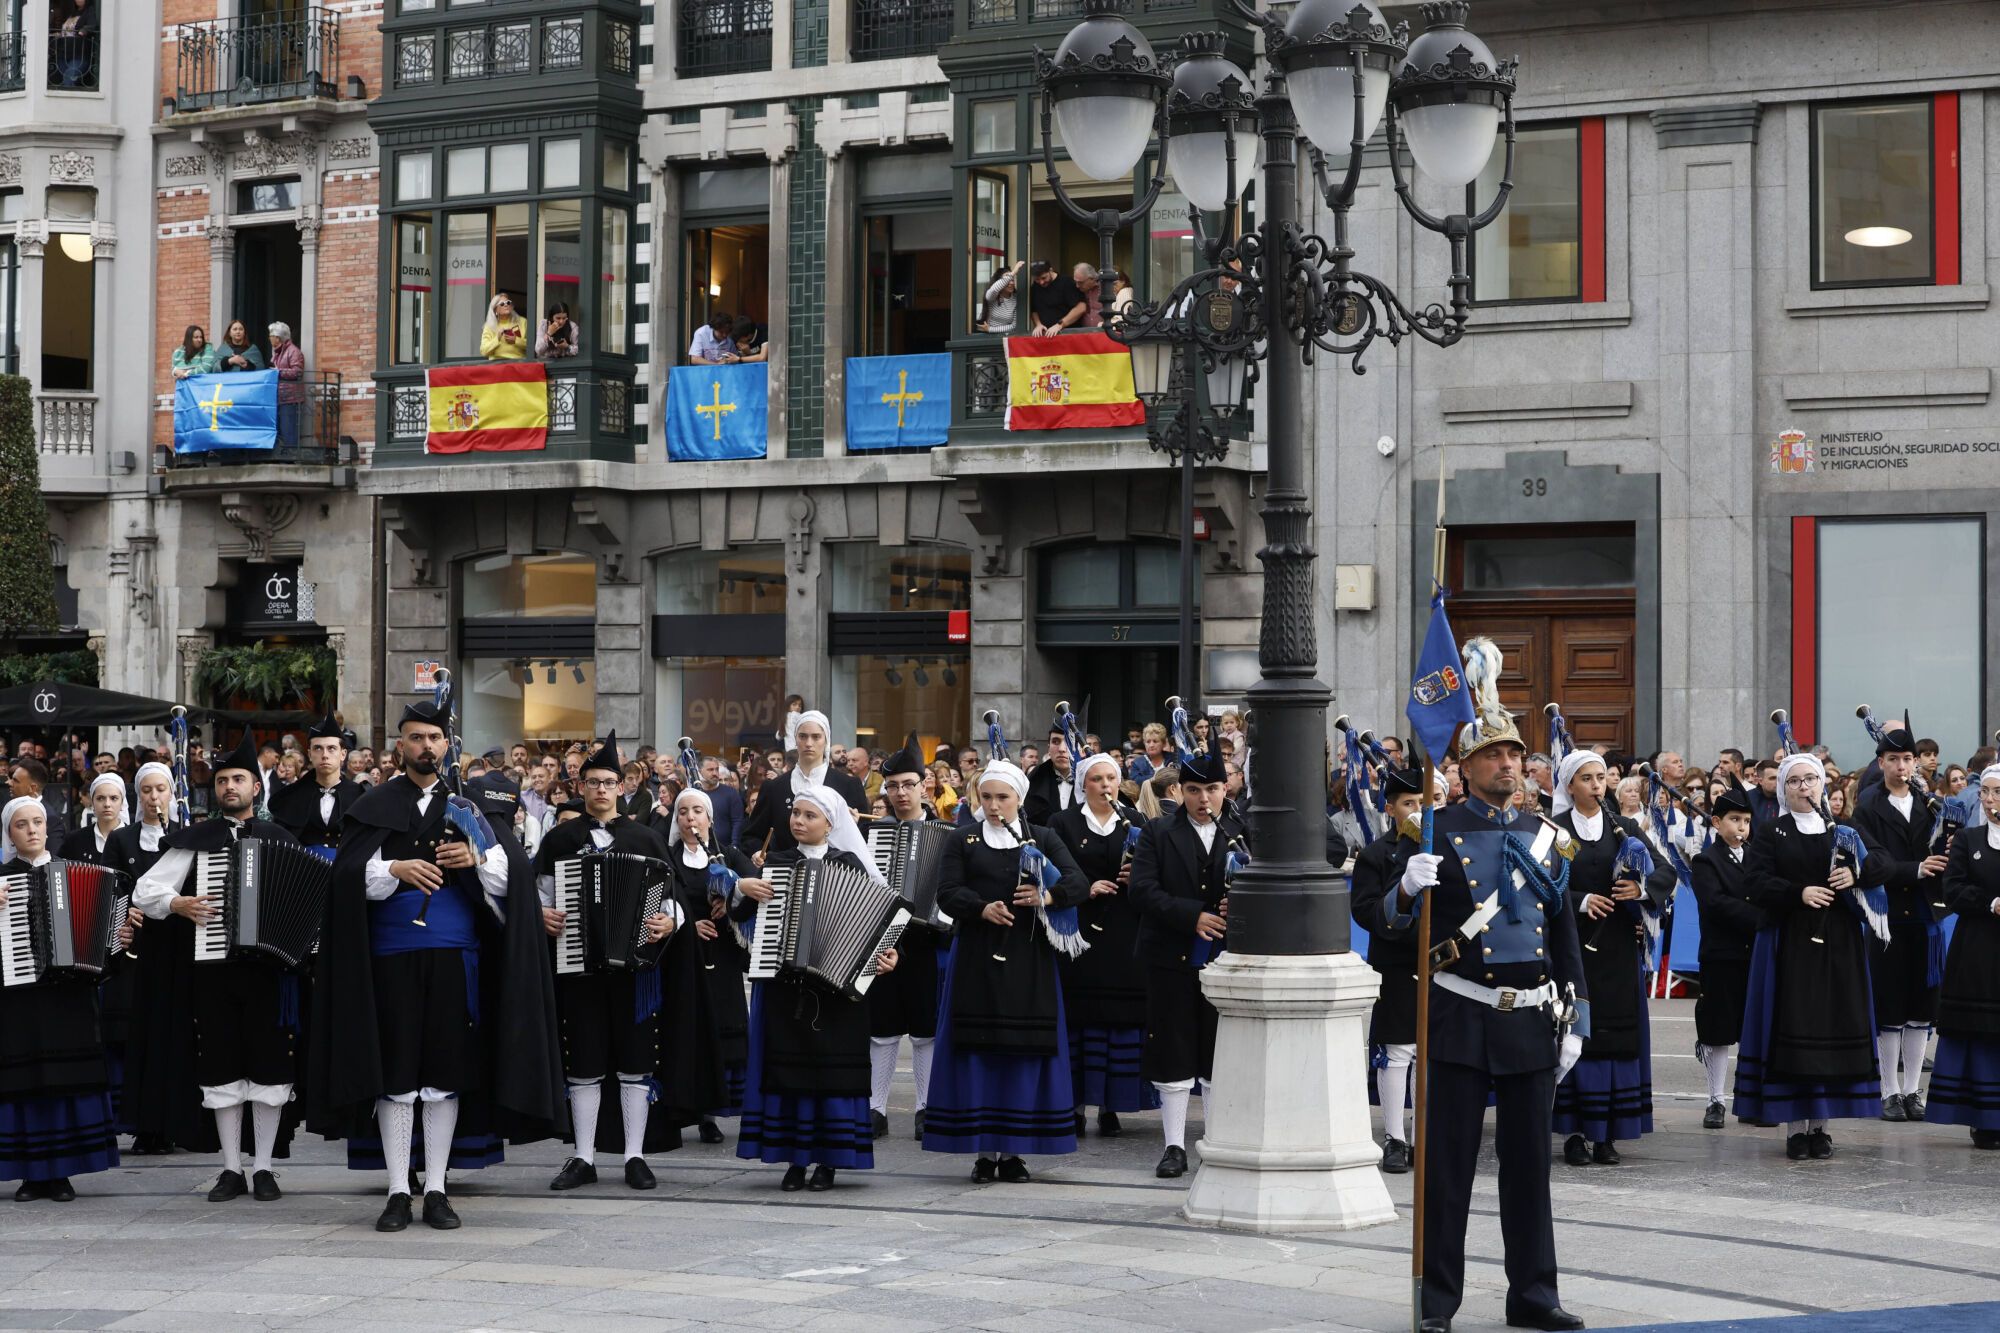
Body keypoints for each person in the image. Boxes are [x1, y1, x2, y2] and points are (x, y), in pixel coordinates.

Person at [308, 701, 563, 1232]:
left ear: (448, 744)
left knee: (445, 1074)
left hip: (455, 960)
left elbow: (510, 879)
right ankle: (399, 1190)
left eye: (434, 737)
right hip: (389, 959)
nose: (426, 746)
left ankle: (438, 1189)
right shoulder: (373, 803)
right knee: (397, 1074)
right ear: (400, 745)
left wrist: (478, 858)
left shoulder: (472, 807)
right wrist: (394, 867)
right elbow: (348, 878)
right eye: (415, 737)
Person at [1395, 645, 1588, 1333]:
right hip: (1458, 1015)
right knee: (1446, 1172)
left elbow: (1563, 934)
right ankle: (1437, 1301)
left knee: (1529, 1171)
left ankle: (1533, 1295)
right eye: (1493, 755)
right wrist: (1404, 887)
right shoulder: (1432, 831)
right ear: (1466, 766)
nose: (1508, 764)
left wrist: (1578, 1019)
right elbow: (1378, 914)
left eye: (1514, 755)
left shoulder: (1550, 837)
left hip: (1530, 1021)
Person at [131, 733, 303, 1204]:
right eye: (224, 780)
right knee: (221, 1065)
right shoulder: (196, 841)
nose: (230, 787)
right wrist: (177, 902)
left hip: (270, 970)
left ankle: (264, 1167)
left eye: (239, 779)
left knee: (270, 1069)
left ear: (256, 788)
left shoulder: (280, 838)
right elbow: (144, 891)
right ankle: (231, 1168)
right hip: (213, 970)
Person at [533, 734, 691, 1192]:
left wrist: (669, 921)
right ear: (580, 787)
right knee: (582, 1062)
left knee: (636, 1062)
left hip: (635, 969)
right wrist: (541, 915)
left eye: (608, 782)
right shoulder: (560, 838)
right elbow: (539, 894)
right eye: (592, 782)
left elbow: (674, 896)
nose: (600, 790)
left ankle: (635, 1156)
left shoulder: (645, 836)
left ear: (622, 786)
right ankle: (582, 1156)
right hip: (578, 966)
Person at [922, 755, 1087, 1181]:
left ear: (1019, 799)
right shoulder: (963, 839)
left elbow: (1078, 883)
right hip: (976, 956)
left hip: (1029, 959)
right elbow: (946, 893)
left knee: (1021, 1053)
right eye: (987, 796)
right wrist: (981, 908)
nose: (994, 805)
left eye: (1003, 797)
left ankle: (1014, 1152)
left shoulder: (1043, 838)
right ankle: (983, 1151)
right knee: (979, 1051)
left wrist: (1045, 898)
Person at [734, 781, 898, 1191]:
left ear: (830, 824)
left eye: (810, 816)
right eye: (796, 814)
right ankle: (795, 1158)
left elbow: (880, 921)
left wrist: (889, 955)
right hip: (786, 988)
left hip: (838, 993)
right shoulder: (777, 862)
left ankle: (829, 1160)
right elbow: (740, 913)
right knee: (791, 1075)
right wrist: (744, 887)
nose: (799, 821)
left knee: (832, 1077)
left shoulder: (851, 865)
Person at [1734, 751, 1890, 1160]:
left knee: (1830, 1029)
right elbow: (1754, 881)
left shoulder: (1843, 828)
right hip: (1792, 940)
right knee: (1795, 1029)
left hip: (1839, 943)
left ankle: (1821, 1128)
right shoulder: (1772, 831)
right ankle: (1795, 1128)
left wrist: (1857, 874)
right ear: (1784, 789)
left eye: (1811, 780)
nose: (1805, 787)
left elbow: (1883, 865)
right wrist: (1797, 893)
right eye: (1795, 781)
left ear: (1824, 784)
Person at [1549, 751, 1672, 1167]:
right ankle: (1575, 1134)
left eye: (1601, 777)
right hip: (1573, 945)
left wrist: (1639, 891)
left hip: (1618, 947)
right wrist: (1580, 901)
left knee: (1616, 1038)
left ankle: (1607, 1135)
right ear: (1569, 786)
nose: (1597, 785)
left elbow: (1664, 871)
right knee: (1577, 1034)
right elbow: (1533, 883)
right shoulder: (1554, 829)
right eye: (1586, 778)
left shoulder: (1626, 827)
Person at [0, 796, 119, 1201]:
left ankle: (64, 1171)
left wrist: (118, 936)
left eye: (37, 822)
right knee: (27, 1080)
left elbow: (105, 942)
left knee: (68, 1079)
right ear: (10, 834)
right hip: (21, 998)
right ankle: (33, 1174)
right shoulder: (2, 879)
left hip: (70, 996)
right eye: (22, 824)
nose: (32, 830)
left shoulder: (74, 872)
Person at [1130, 747, 1241, 1180]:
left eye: (1211, 789)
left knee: (1217, 1052)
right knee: (1172, 1049)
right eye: (1193, 790)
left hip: (1224, 959)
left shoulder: (1241, 830)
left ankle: (1212, 1141)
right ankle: (1173, 1146)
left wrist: (1243, 903)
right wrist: (1191, 914)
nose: (1203, 799)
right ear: (1179, 790)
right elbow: (1141, 891)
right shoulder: (1157, 832)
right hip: (1169, 957)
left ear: (1225, 787)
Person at [1050, 749, 1156, 1139]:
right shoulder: (1062, 822)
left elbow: (1155, 874)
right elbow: (1054, 870)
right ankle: (1075, 1105)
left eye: (1111, 779)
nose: (1105, 786)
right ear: (1084, 785)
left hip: (1124, 930)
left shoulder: (1137, 822)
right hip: (1079, 931)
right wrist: (1085, 887)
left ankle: (1113, 1104)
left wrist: (1137, 876)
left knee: (1121, 1019)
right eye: (1097, 779)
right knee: (1080, 1019)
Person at [1847, 721, 1947, 1123]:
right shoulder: (1869, 804)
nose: (1902, 766)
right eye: (1894, 759)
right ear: (1881, 762)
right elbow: (1871, 863)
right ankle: (1889, 1090)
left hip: (1925, 915)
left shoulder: (1930, 803)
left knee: (1921, 1009)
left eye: (1908, 759)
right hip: (1886, 915)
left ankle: (1912, 1091)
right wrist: (1916, 869)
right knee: (1890, 1007)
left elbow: (1942, 851)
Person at [1346, 764, 1429, 1173]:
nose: (1419, 809)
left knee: (1430, 1053)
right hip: (1397, 960)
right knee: (1397, 1050)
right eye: (1410, 803)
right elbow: (1363, 910)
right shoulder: (1378, 853)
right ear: (1391, 808)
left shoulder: (1448, 845)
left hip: (1442, 960)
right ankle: (1395, 1136)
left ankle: (1423, 1136)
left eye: (1425, 801)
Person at [865, 736, 947, 1140]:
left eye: (908, 784)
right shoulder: (874, 835)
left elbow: (950, 887)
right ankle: (875, 1107)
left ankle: (924, 1107)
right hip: (883, 939)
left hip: (927, 940)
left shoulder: (947, 833)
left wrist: (946, 913)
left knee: (925, 1027)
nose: (900, 793)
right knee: (881, 1026)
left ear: (923, 785)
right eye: (893, 786)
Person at [665, 784, 758, 1144]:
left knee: (721, 1032)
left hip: (722, 956)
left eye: (697, 811)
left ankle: (710, 1114)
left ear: (709, 818)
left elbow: (757, 890)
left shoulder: (729, 856)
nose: (690, 818)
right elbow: (660, 896)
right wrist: (688, 921)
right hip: (683, 958)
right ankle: (682, 1109)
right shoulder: (668, 856)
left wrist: (732, 899)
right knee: (687, 1031)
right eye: (683, 812)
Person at [109, 762, 182, 1154]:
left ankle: (175, 1121)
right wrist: (125, 912)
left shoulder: (185, 836)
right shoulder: (123, 838)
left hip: (176, 942)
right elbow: (112, 887)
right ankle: (145, 1124)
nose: (155, 798)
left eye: (161, 790)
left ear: (172, 793)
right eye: (148, 792)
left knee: (174, 1031)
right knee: (144, 1034)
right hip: (138, 946)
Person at [1930, 764, 2000, 1149]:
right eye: (1985, 792)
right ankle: (1985, 1118)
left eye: (1997, 793)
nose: (1990, 800)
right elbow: (1953, 889)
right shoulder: (1968, 839)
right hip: (1978, 949)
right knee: (1982, 1034)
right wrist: (1989, 902)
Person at [1689, 778, 1766, 1129]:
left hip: (1754, 955)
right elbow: (1715, 903)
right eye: (1734, 819)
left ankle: (1751, 1099)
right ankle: (1715, 1099)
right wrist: (1761, 918)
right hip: (1722, 955)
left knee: (1753, 1028)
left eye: (1746, 820)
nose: (1741, 827)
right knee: (1718, 1029)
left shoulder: (1758, 858)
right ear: (1717, 823)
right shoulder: (1706, 860)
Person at [736, 710, 867, 865]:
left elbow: (864, 838)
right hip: (782, 874)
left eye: (816, 737)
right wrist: (758, 852)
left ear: (826, 740)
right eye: (803, 736)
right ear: (795, 739)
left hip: (834, 875)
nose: (809, 743)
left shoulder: (848, 785)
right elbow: (752, 836)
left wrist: (853, 825)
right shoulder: (774, 787)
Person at [267, 713, 362, 863]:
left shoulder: (360, 795)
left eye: (331, 748)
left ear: (343, 754)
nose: (324, 755)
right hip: (302, 874)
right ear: (310, 755)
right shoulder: (292, 797)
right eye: (318, 748)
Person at [268, 323, 306, 449]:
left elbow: (297, 372)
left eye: (271, 335)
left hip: (290, 398)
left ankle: (290, 456)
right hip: (278, 397)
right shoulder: (277, 353)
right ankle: (280, 455)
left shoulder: (293, 351)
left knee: (288, 430)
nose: (269, 338)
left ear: (278, 338)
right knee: (278, 429)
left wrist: (278, 371)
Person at [9, 758, 65, 842]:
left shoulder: (50, 819)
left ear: (32, 788)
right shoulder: (10, 809)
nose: (9, 783)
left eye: (16, 781)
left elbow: (52, 854)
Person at [1027, 261, 1087, 336]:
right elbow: (1034, 310)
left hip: (1069, 334)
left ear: (1051, 270)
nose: (1041, 282)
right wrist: (1038, 325)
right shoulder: (1035, 287)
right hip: (1046, 335)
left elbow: (1081, 307)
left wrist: (1060, 324)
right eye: (1037, 279)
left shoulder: (1067, 282)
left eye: (1044, 278)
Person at [979, 260, 1025, 334]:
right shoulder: (993, 296)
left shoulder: (1016, 299)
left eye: (1012, 280)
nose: (1011, 283)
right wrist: (1013, 273)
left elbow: (1014, 325)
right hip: (986, 337)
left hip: (1004, 337)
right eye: (1008, 280)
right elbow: (993, 290)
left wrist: (990, 329)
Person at [479, 295, 528, 360]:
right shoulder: (489, 326)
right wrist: (497, 338)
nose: (506, 305)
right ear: (495, 309)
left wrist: (516, 340)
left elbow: (532, 346)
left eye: (508, 302)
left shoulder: (522, 322)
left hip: (518, 363)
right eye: (502, 304)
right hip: (497, 365)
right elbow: (483, 351)